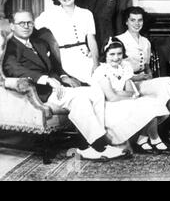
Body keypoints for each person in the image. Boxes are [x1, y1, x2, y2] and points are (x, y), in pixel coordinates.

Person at [2, 10, 126, 161]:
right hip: (40, 93)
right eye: (22, 23)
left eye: (29, 22)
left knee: (94, 93)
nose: (27, 26)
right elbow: (13, 69)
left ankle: (89, 146)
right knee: (82, 98)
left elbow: (55, 65)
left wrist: (63, 77)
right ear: (12, 26)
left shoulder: (39, 43)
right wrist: (46, 79)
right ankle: (100, 146)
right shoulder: (9, 47)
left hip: (58, 89)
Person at [116, 6, 170, 145]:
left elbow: (147, 66)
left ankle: (166, 129)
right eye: (132, 20)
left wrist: (149, 74)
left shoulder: (146, 42)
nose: (136, 23)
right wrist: (136, 78)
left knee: (167, 84)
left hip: (143, 81)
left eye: (140, 20)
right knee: (165, 90)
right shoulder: (118, 40)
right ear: (126, 22)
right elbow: (115, 71)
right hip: (129, 84)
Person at [92, 37, 170, 154]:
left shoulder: (123, 68)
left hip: (121, 100)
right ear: (105, 55)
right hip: (107, 107)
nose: (116, 58)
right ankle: (154, 140)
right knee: (144, 103)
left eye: (119, 54)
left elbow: (131, 91)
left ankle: (145, 139)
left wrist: (122, 93)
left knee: (149, 101)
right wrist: (125, 95)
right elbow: (111, 97)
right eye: (112, 54)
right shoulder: (101, 71)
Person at [35, 0, 99, 85]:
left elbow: (91, 40)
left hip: (87, 56)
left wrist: (96, 64)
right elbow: (31, 29)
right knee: (99, 80)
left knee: (105, 74)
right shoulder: (50, 14)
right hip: (67, 59)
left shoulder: (86, 14)